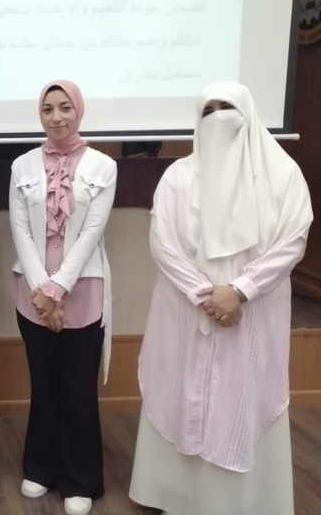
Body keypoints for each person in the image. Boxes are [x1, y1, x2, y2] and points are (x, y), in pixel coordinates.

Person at [128, 82, 313, 515]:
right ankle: (174, 496)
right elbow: (162, 243)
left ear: (247, 114)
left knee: (243, 398)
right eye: (207, 111)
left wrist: (241, 290)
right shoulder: (179, 176)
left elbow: (293, 240)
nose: (217, 118)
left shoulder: (282, 175)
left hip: (254, 311)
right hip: (186, 308)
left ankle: (246, 502)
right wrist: (206, 296)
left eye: (226, 108)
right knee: (181, 393)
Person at [9, 81, 116, 515]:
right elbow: (20, 229)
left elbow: (92, 232)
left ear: (79, 111)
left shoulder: (104, 166)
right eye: (48, 109)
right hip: (31, 294)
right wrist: (41, 289)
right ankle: (41, 467)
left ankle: (80, 479)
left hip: (84, 290)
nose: (56, 117)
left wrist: (57, 289)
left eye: (65, 107)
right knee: (44, 383)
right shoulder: (22, 165)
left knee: (77, 388)